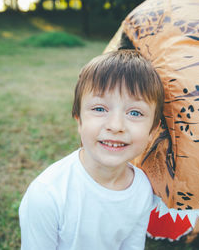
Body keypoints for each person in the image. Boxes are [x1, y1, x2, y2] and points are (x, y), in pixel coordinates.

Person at [19, 50, 165, 249]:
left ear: (152, 130)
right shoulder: (47, 195)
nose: (116, 125)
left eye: (134, 112)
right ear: (79, 120)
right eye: (99, 109)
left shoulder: (142, 189)